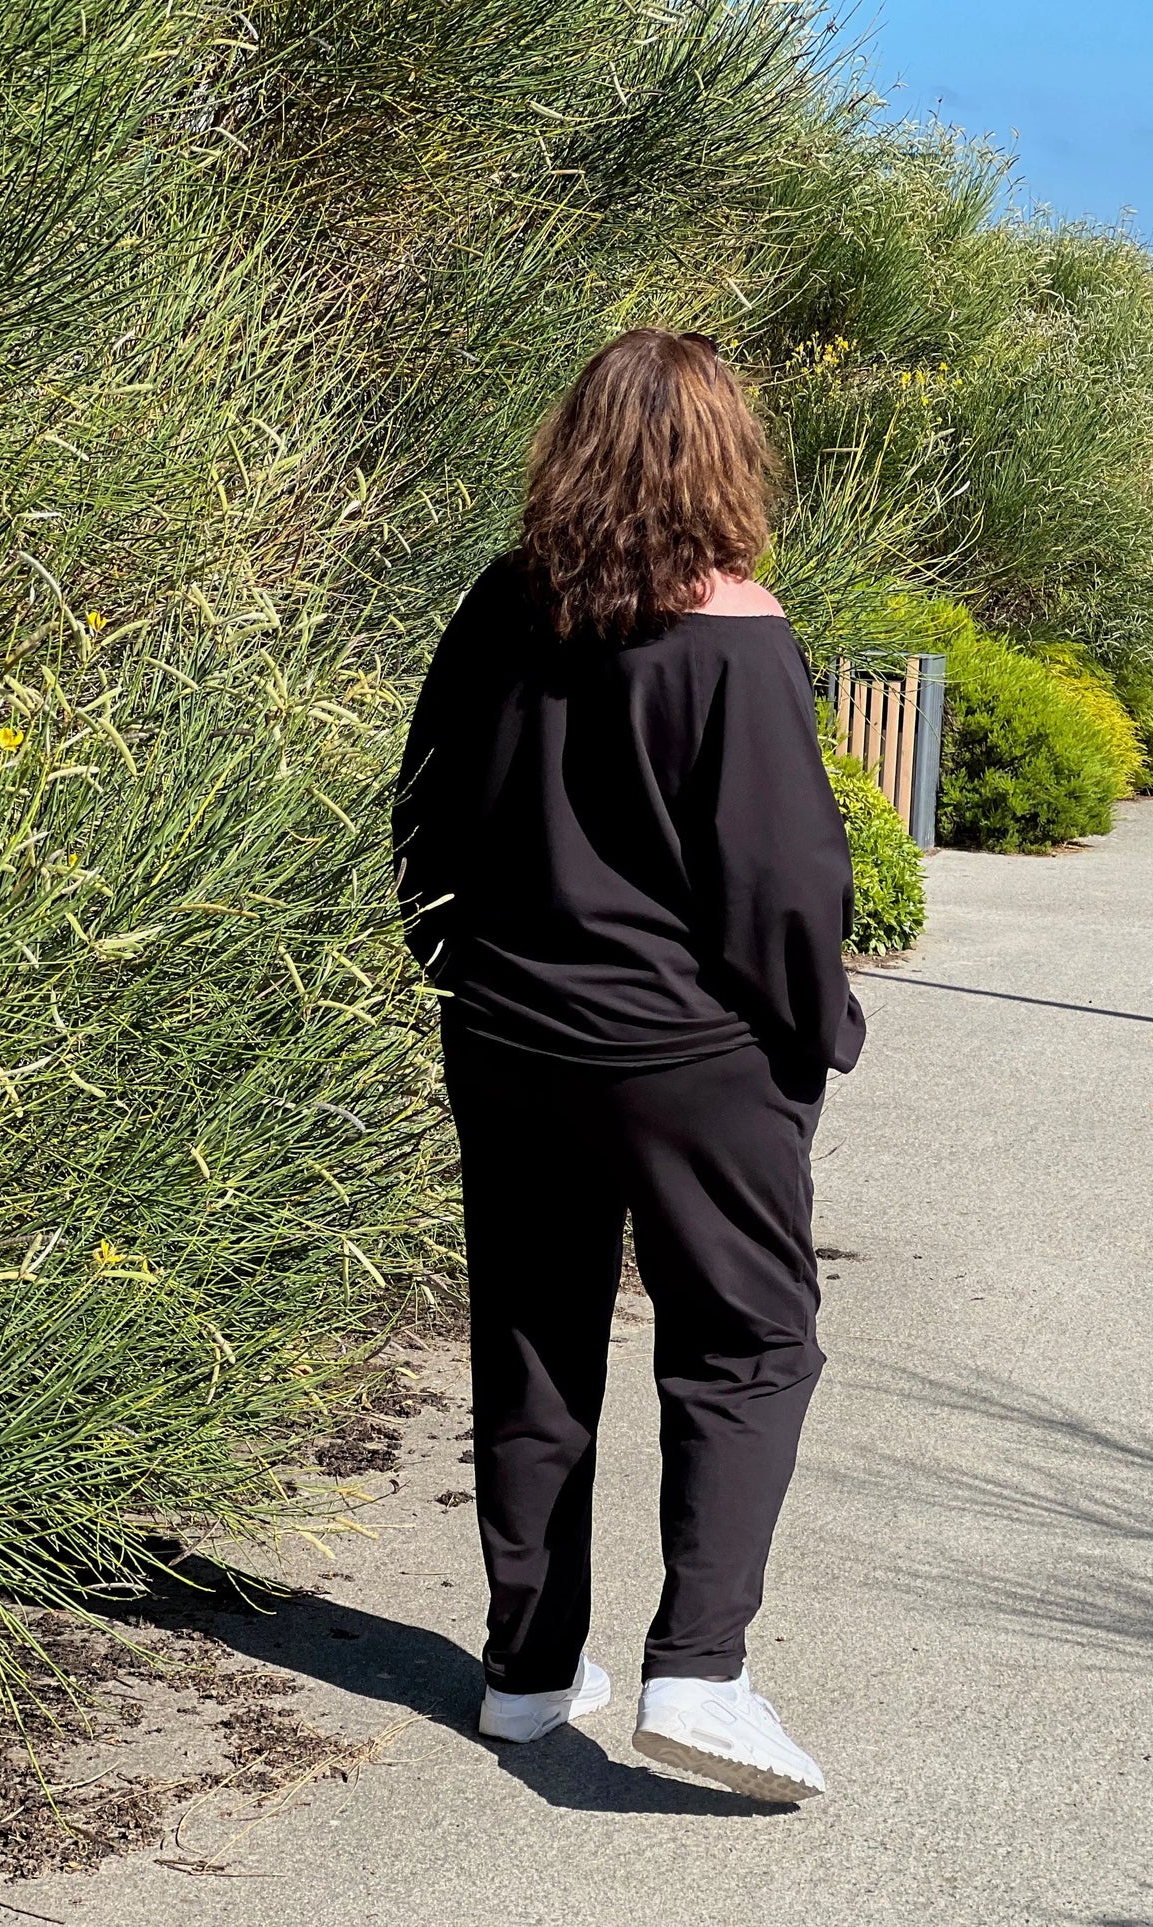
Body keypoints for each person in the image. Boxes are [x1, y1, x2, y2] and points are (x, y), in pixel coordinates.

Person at [391, 328, 865, 1803]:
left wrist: (461, 974)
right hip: (686, 1056)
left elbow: (422, 811)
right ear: (727, 454)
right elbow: (782, 885)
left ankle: (525, 1675)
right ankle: (700, 1675)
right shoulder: (734, 628)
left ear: (573, 443)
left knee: (535, 1341)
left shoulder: (502, 603)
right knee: (747, 1343)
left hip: (508, 1034)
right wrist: (811, 1037)